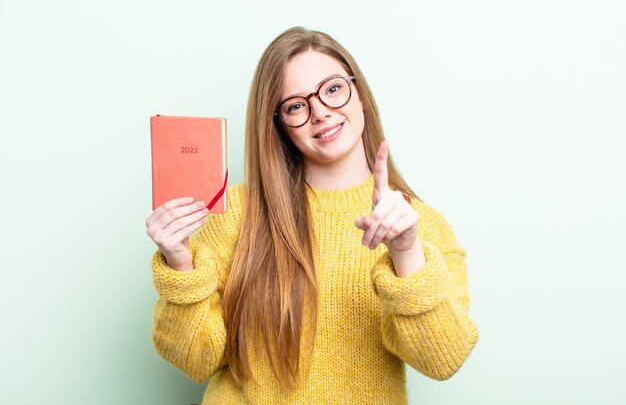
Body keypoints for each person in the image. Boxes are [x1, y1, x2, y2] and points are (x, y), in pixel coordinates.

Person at [145, 26, 479, 404]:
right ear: (279, 126)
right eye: (296, 105)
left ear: (360, 95)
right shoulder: (236, 214)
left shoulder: (420, 226)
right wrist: (180, 266)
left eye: (333, 88)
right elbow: (196, 360)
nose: (320, 111)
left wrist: (405, 255)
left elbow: (443, 359)